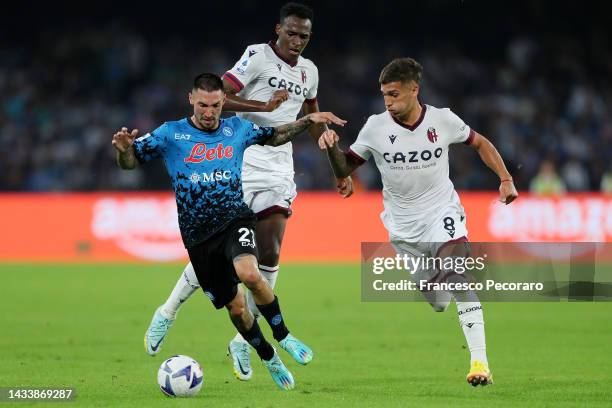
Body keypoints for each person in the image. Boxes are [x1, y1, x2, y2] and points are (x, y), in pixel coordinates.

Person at [144, 2, 353, 381]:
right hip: (236, 157)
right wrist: (262, 104)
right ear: (278, 29)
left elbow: (312, 117)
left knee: (268, 252)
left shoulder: (309, 72)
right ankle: (168, 310)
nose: (297, 41)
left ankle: (242, 342)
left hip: (277, 164)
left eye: (304, 36)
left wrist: (338, 166)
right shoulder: (257, 56)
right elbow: (221, 97)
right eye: (291, 33)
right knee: (218, 251)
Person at [113, 73, 345, 390]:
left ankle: (284, 335)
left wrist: (308, 120)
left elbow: (275, 135)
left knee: (251, 273)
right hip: (198, 238)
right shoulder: (171, 134)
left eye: (216, 105)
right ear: (190, 100)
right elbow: (129, 163)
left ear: (224, 102)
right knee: (236, 308)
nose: (209, 113)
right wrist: (124, 150)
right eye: (203, 105)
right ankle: (268, 355)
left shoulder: (237, 129)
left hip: (235, 219)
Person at [318, 58, 518, 386]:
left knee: (458, 278)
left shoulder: (442, 120)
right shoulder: (375, 128)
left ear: (414, 89)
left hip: (442, 214)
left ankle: (479, 362)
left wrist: (506, 178)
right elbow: (345, 170)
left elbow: (480, 143)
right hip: (403, 229)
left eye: (394, 94)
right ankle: (437, 285)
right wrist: (331, 149)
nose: (388, 102)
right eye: (384, 95)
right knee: (438, 303)